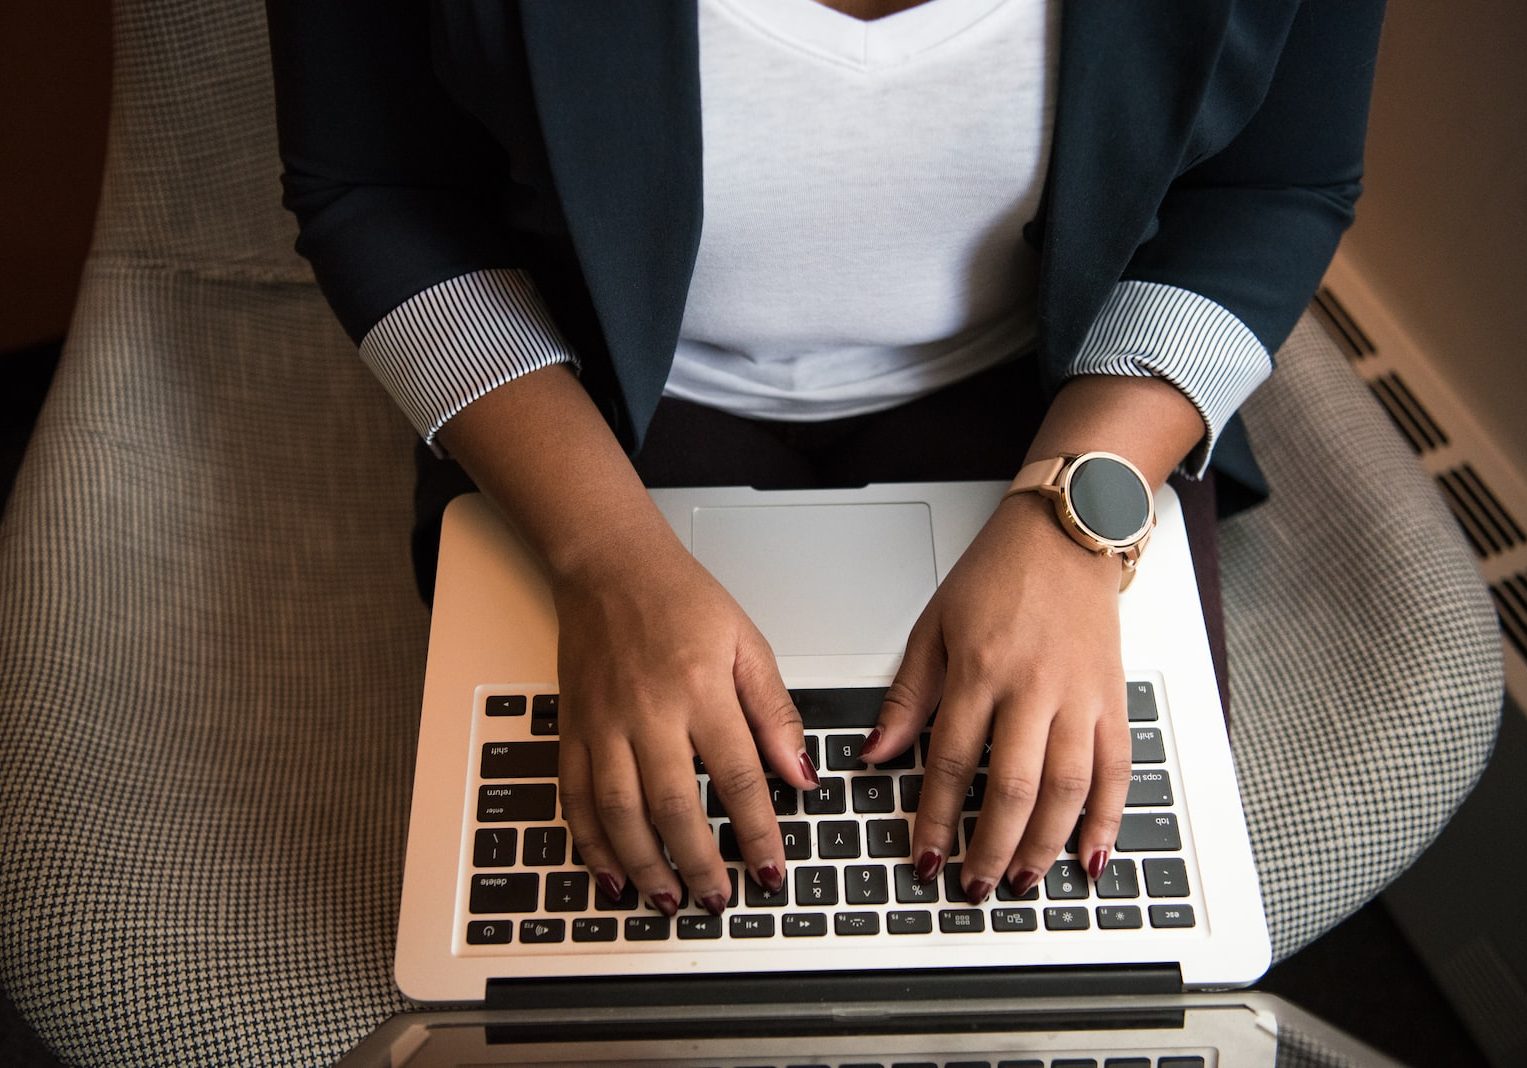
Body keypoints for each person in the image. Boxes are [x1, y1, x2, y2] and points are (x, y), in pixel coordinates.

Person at [267, 0, 1384, 921]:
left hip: (1064, 373)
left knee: (1064, 934)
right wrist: (606, 557)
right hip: (591, 384)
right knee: (617, 931)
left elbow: (1274, 187)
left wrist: (1075, 518)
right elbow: (378, 187)